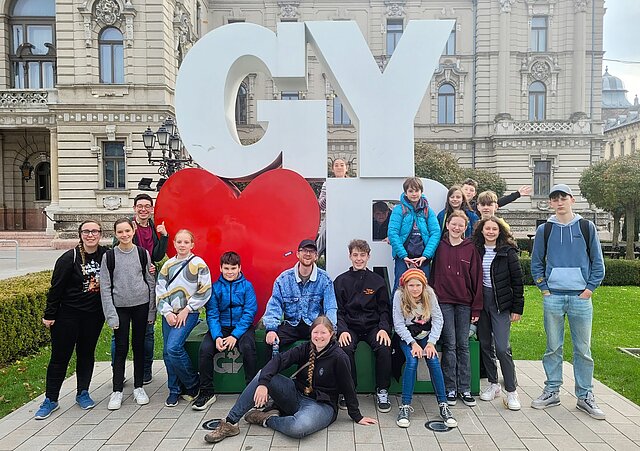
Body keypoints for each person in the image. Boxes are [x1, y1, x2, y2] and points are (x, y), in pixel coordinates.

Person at [203, 316, 377, 444]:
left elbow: (348, 388)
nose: (319, 336)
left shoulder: (339, 357)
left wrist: (357, 416)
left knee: (298, 428)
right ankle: (230, 423)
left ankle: (266, 419)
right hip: (295, 394)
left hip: (321, 405)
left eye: (323, 333)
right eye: (315, 332)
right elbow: (279, 361)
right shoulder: (305, 348)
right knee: (264, 374)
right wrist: (264, 384)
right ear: (311, 334)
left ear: (331, 334)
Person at [530, 184, 606, 420]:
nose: (559, 202)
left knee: (583, 350)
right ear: (551, 203)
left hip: (580, 298)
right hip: (553, 296)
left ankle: (585, 396)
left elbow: (597, 262)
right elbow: (536, 262)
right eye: (555, 199)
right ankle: (552, 390)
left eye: (563, 197)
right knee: (553, 347)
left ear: (572, 200)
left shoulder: (586, 227)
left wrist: (589, 289)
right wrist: (544, 288)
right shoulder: (545, 229)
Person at [35, 221, 108, 420]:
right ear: (80, 234)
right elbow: (56, 288)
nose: (90, 235)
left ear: (100, 234)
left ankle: (82, 392)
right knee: (60, 358)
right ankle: (51, 399)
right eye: (86, 231)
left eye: (94, 231)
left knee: (86, 354)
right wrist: (49, 314)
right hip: (68, 315)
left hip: (93, 316)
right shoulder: (69, 258)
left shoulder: (106, 255)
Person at [110, 193, 169, 385]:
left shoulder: (153, 228)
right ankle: (117, 371)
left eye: (147, 206)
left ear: (151, 209)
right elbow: (116, 253)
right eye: (140, 206)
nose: (143, 209)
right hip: (127, 286)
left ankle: (145, 371)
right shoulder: (126, 228)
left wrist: (164, 236)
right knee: (120, 333)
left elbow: (158, 255)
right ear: (135, 208)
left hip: (148, 284)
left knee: (147, 331)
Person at [101, 218, 156, 410]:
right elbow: (105, 288)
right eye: (120, 232)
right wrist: (111, 315)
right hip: (120, 307)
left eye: (127, 231)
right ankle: (117, 390)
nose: (124, 235)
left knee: (139, 346)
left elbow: (150, 282)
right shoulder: (109, 256)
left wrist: (151, 311)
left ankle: (139, 387)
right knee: (121, 347)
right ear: (115, 234)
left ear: (133, 231)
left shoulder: (142, 253)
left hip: (140, 305)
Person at [392, 268, 457, 428]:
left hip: (426, 335)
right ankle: (405, 406)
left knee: (433, 360)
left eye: (418, 285)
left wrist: (431, 343)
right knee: (412, 361)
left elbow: (438, 319)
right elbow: (398, 324)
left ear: (423, 285)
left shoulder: (429, 294)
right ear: (405, 286)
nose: (415, 289)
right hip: (407, 336)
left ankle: (443, 404)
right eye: (411, 285)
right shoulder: (399, 296)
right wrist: (412, 344)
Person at [192, 251, 257, 411]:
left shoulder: (247, 286)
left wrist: (235, 335)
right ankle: (206, 392)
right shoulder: (215, 288)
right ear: (220, 268)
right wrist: (217, 336)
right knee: (205, 350)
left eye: (233, 268)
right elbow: (212, 313)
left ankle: (252, 392)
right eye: (226, 268)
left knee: (249, 348)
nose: (230, 272)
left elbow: (250, 312)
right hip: (221, 327)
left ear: (239, 268)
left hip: (241, 327)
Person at [430, 210, 482, 407]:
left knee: (463, 345)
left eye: (461, 225)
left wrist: (476, 309)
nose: (457, 228)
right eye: (454, 224)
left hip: (464, 303)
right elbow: (433, 275)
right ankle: (450, 388)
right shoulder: (439, 247)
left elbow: (476, 279)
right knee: (449, 345)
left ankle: (465, 388)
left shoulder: (470, 248)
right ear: (448, 225)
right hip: (444, 302)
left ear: (465, 227)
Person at [472, 217, 524, 410]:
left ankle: (511, 391)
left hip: (501, 303)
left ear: (500, 231)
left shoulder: (508, 252)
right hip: (481, 302)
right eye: (488, 229)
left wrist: (517, 308)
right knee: (485, 344)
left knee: (502, 347)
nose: (491, 232)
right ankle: (493, 385)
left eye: (495, 229)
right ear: (482, 231)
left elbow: (517, 281)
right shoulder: (476, 249)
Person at [156, 229, 212, 407]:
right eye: (179, 242)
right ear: (174, 244)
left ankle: (192, 384)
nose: (182, 245)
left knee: (174, 347)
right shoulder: (168, 265)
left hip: (188, 312)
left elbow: (205, 290)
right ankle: (174, 389)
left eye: (186, 242)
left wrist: (187, 309)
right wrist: (167, 312)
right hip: (169, 314)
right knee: (166, 352)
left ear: (192, 245)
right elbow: (160, 289)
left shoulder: (199, 264)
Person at [334, 239, 392, 412]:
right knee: (344, 348)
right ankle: (348, 390)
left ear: (368, 257)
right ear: (350, 256)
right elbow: (337, 310)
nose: (359, 259)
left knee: (384, 346)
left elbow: (384, 310)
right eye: (355, 255)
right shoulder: (340, 281)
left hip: (373, 326)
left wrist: (383, 328)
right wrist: (342, 330)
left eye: (362, 255)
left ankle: (382, 390)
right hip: (350, 326)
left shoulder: (377, 281)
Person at [262, 239, 338, 354]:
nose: (307, 254)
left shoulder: (325, 279)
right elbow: (274, 305)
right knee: (272, 342)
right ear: (298, 254)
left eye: (311, 251)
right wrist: (271, 329)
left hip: (314, 325)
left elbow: (330, 307)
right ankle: (270, 372)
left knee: (332, 345)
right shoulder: (283, 279)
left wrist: (329, 329)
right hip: (291, 325)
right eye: (304, 251)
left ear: (316, 256)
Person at [388, 177, 441, 293]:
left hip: (422, 258)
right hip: (404, 258)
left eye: (416, 191)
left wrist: (426, 255)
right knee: (400, 288)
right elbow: (392, 233)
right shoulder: (399, 210)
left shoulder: (428, 211)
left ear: (421, 192)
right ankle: (396, 311)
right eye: (410, 191)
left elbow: (436, 233)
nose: (414, 194)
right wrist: (403, 255)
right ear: (405, 193)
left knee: (423, 289)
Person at [317, 158, 349, 255]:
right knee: (323, 236)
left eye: (342, 165)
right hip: (331, 216)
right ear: (332, 169)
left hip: (347, 217)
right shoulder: (327, 184)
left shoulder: (352, 184)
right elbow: (320, 205)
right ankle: (314, 256)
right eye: (336, 165)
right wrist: (330, 193)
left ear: (346, 168)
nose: (339, 167)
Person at [461, 178, 532, 216]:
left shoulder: (477, 205)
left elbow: (498, 202)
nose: (468, 192)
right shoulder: (455, 204)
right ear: (461, 190)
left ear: (475, 193)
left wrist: (517, 194)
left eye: (471, 190)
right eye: (466, 189)